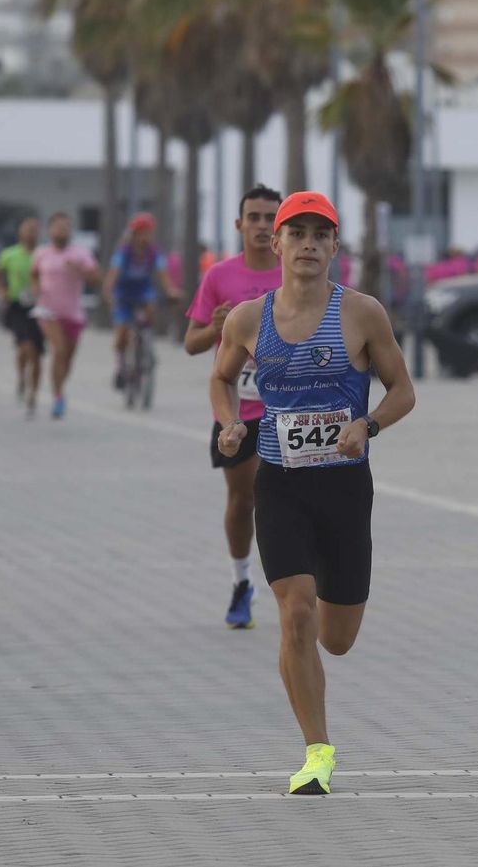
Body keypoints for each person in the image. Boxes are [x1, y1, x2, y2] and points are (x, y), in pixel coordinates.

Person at [211, 191, 415, 795]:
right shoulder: (248, 318)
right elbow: (221, 377)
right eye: (295, 233)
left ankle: (332, 618)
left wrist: (367, 424)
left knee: (337, 638)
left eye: (320, 235)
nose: (308, 244)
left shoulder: (362, 314)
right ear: (274, 243)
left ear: (334, 246)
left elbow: (403, 389)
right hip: (281, 486)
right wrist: (227, 423)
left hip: (346, 488)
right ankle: (317, 753)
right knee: (296, 613)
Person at [186, 186, 284, 629]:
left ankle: (295, 588)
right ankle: (242, 581)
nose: (263, 225)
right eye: (255, 217)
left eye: (270, 217)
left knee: (287, 501)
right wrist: (216, 328)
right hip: (237, 410)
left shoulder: (297, 274)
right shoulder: (219, 277)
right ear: (239, 225)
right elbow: (191, 343)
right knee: (243, 500)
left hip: (290, 409)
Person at [30, 212, 99, 420]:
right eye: (58, 226)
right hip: (48, 311)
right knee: (58, 350)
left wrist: (79, 270)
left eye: (66, 227)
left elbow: (97, 279)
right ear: (50, 230)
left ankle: (59, 387)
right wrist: (36, 291)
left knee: (67, 360)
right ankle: (58, 396)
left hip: (73, 314)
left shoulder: (80, 254)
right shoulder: (42, 253)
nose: (61, 230)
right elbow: (34, 274)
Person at [105, 212, 180, 390]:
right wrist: (109, 294)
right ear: (134, 234)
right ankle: (121, 366)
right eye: (143, 233)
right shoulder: (124, 253)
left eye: (149, 232)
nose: (146, 237)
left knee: (151, 307)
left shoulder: (153, 253)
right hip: (123, 293)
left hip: (143, 292)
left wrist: (171, 291)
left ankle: (147, 343)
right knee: (121, 335)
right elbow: (112, 276)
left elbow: (163, 275)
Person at [0, 217, 44, 417]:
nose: (31, 233)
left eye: (34, 229)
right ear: (20, 233)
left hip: (40, 306)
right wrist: (0, 291)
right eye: (27, 229)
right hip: (18, 306)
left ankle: (33, 394)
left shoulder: (43, 254)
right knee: (25, 347)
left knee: (37, 353)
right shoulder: (9, 254)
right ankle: (22, 377)